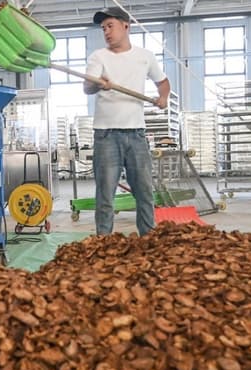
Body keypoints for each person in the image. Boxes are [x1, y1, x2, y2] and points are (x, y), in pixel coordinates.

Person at [84, 7, 170, 236]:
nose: (106, 32)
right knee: (105, 196)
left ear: (125, 26)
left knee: (144, 192)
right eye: (103, 28)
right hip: (106, 135)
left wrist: (163, 98)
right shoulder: (98, 57)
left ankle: (148, 239)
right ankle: (104, 243)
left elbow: (163, 82)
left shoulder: (144, 56)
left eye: (110, 26)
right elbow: (87, 87)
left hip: (136, 135)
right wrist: (98, 83)